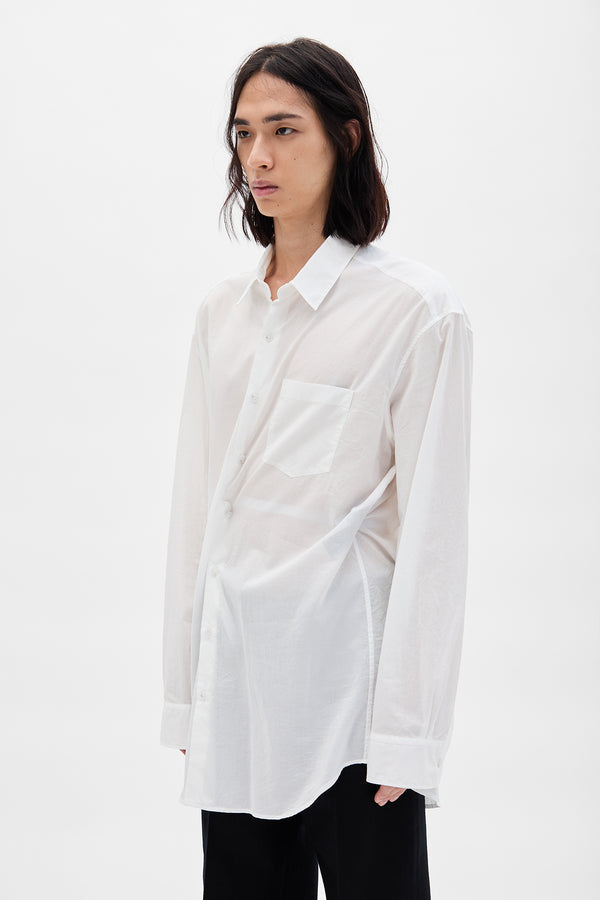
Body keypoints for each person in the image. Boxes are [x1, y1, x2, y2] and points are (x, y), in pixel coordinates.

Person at [160, 36, 473, 899]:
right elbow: (198, 513)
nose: (258, 156)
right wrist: (188, 693)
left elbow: (434, 534)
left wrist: (409, 735)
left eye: (284, 129)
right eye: (243, 133)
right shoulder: (221, 315)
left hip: (351, 713)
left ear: (347, 136)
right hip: (237, 698)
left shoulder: (414, 310)